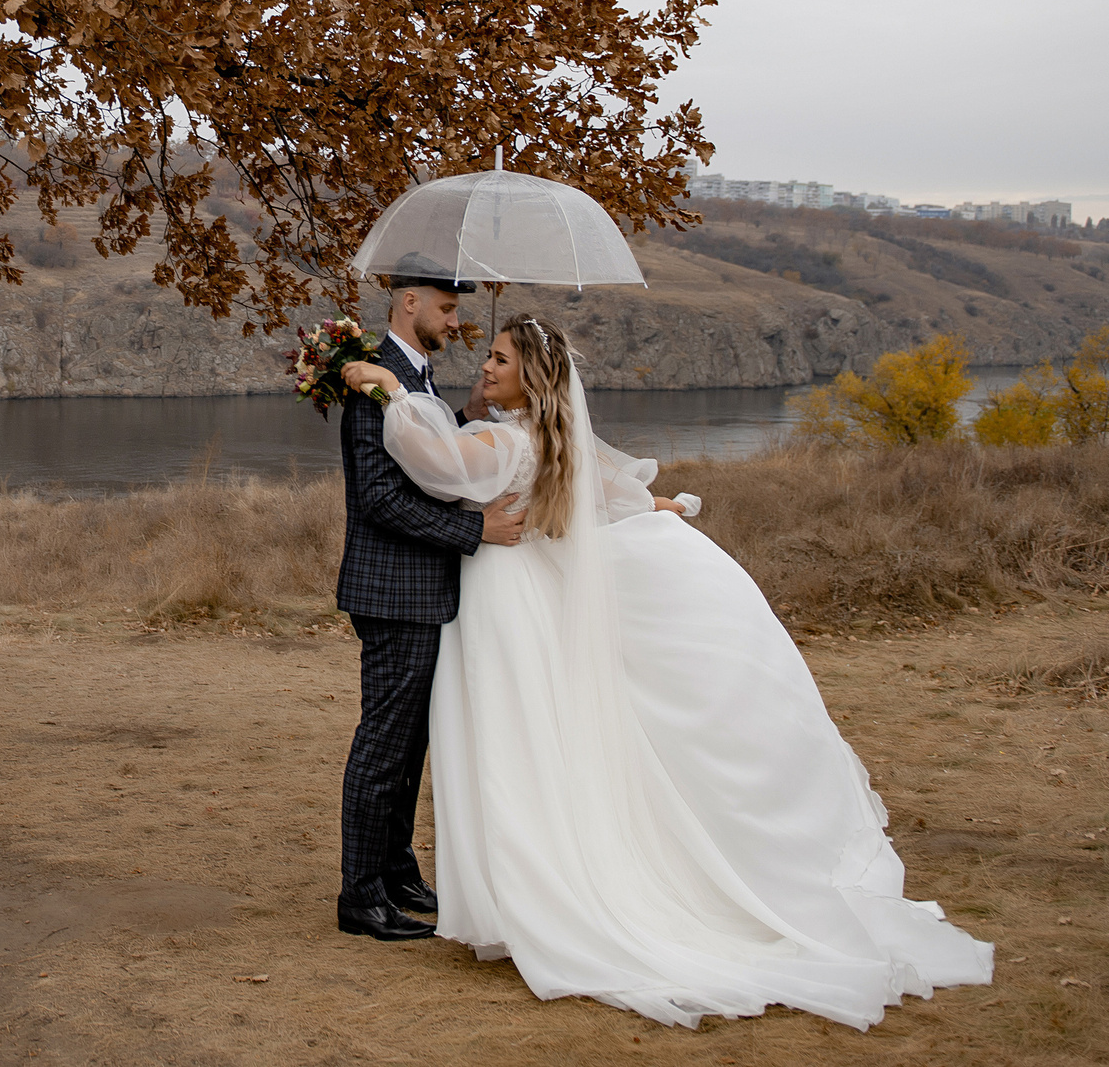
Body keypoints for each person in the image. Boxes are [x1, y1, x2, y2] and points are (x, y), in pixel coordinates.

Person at [339, 317, 993, 1029]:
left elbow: (429, 459)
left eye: (500, 358)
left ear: (531, 377)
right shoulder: (553, 443)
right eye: (490, 355)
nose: (486, 364)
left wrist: (390, 386)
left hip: (499, 604)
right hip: (519, 603)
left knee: (504, 741)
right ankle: (513, 888)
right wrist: (664, 504)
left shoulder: (501, 442)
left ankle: (520, 896)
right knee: (530, 742)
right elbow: (610, 492)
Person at [328, 266, 529, 942]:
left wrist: (467, 415)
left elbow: (432, 459)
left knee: (410, 744)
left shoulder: (413, 378)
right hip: (394, 590)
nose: (454, 322)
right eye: (445, 309)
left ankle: (394, 868)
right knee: (384, 744)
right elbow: (382, 498)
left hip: (418, 589)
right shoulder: (371, 379)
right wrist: (478, 530)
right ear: (409, 303)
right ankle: (360, 895)